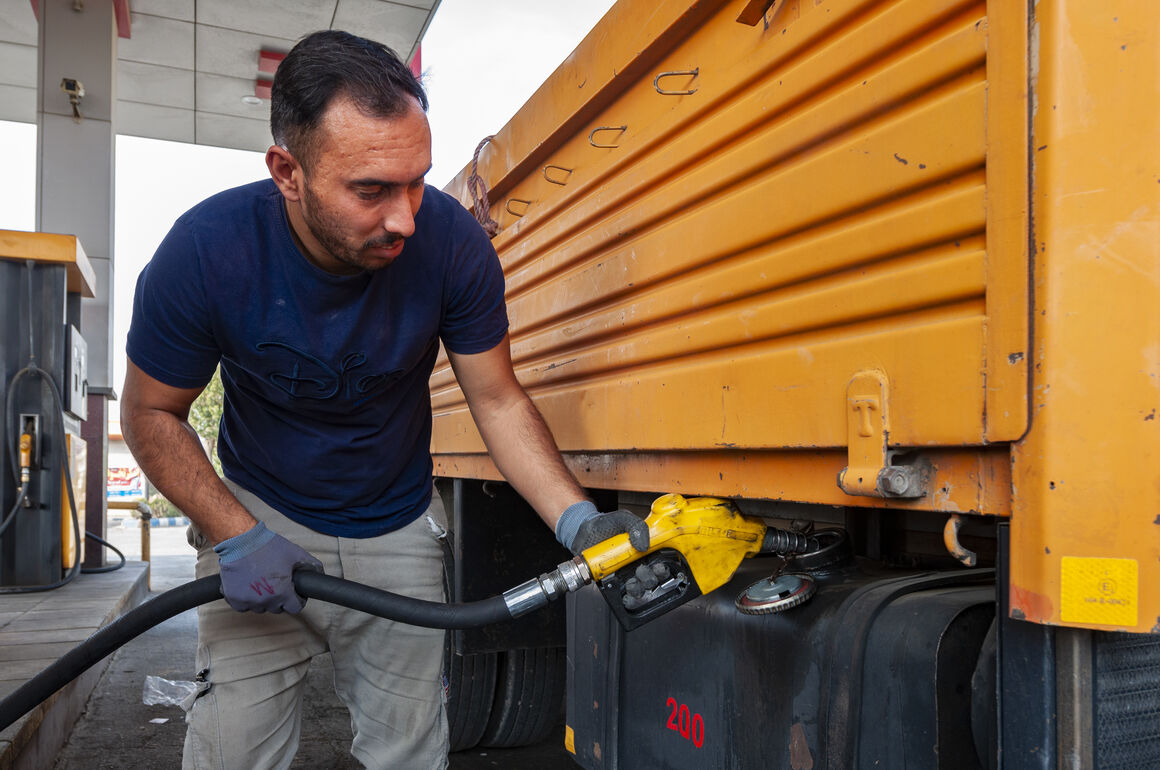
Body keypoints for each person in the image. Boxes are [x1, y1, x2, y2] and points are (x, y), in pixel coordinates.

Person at [120, 29, 648, 770]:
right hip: (258, 513)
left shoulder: (453, 245)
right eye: (371, 189)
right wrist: (234, 534)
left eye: (417, 181)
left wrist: (579, 521)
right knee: (232, 751)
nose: (404, 216)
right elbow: (149, 412)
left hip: (395, 522)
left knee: (411, 754)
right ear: (288, 171)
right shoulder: (206, 253)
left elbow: (497, 401)